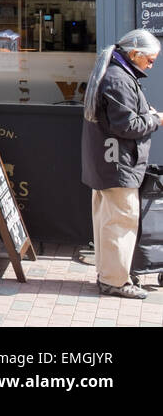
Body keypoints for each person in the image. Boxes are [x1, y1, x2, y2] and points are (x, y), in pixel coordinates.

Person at [81, 29, 163, 298]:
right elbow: (127, 125)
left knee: (107, 223)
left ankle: (109, 277)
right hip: (119, 164)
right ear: (134, 54)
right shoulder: (119, 79)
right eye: (149, 59)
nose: (152, 64)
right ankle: (116, 282)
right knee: (121, 223)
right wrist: (156, 120)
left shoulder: (113, 73)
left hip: (106, 163)